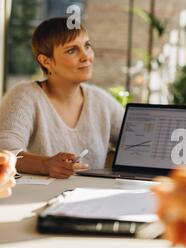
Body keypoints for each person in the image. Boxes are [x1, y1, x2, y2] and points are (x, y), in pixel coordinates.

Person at [0, 17, 124, 179]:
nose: (86, 57)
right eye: (72, 50)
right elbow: (5, 153)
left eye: (87, 46)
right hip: (39, 200)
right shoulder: (24, 96)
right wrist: (45, 164)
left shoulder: (101, 101)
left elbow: (137, 142)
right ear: (46, 61)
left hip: (88, 199)